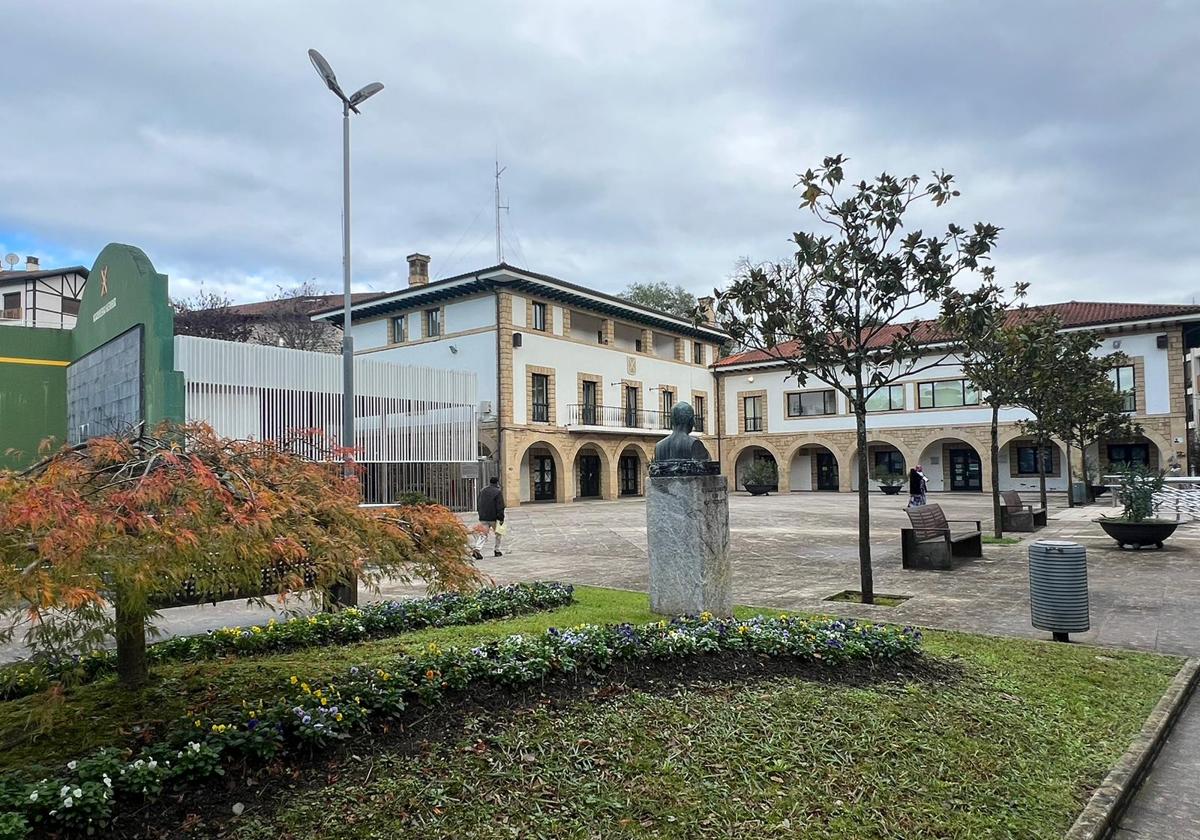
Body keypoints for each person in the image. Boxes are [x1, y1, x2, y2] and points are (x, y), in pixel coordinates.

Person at [475, 476, 505, 559]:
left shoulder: (483, 490)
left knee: (483, 534)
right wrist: (501, 518)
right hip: (494, 517)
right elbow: (500, 506)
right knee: (498, 533)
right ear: (497, 483)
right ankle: (497, 550)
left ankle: (477, 549)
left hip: (483, 517)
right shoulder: (497, 492)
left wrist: (480, 513)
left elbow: (479, 503)